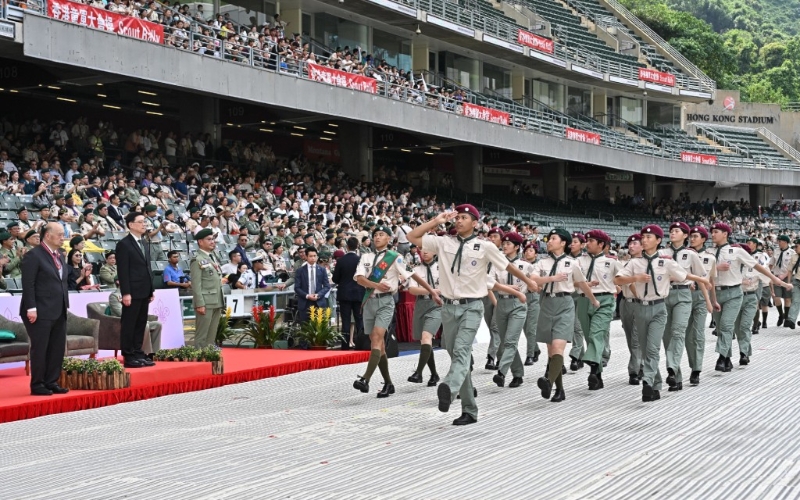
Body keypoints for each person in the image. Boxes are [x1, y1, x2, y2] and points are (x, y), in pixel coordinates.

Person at [408, 205, 536, 425]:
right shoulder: (444, 242)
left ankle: (449, 387)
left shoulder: (485, 246)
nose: (458, 220)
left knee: (461, 351)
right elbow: (412, 237)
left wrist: (527, 282)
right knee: (458, 355)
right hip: (448, 307)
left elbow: (507, 266)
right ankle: (469, 410)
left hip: (471, 306)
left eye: (464, 217)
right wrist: (436, 221)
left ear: (475, 223)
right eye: (457, 217)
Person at [615, 225, 709, 402]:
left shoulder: (666, 261)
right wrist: (635, 278)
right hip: (640, 307)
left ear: (658, 240)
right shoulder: (635, 263)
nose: (644, 240)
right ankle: (656, 384)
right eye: (643, 237)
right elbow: (617, 279)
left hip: (660, 306)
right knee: (645, 348)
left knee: (657, 345)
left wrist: (702, 281)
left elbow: (684, 275)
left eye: (649, 237)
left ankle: (648, 381)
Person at [352, 224, 440, 399]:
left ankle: (365, 379)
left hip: (386, 302)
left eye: (381, 234)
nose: (377, 237)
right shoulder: (366, 256)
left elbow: (412, 275)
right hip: (369, 301)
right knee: (378, 344)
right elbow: (359, 278)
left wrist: (432, 291)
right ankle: (388, 383)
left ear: (389, 238)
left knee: (378, 338)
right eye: (375, 234)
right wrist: (376, 285)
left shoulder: (395, 257)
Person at [709, 223, 789, 372]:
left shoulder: (737, 251)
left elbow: (759, 267)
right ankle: (727, 358)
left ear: (725, 234)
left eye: (716, 232)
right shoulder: (709, 252)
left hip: (736, 294)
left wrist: (777, 280)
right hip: (716, 293)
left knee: (734, 326)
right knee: (721, 328)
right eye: (711, 232)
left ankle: (728, 355)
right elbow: (700, 271)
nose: (712, 234)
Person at [535, 228, 598, 403]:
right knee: (551, 351)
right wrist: (552, 278)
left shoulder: (572, 263)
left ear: (563, 243)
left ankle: (548, 381)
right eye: (548, 238)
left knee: (557, 347)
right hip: (546, 303)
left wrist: (593, 300)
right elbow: (533, 279)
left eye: (553, 238)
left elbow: (581, 284)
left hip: (565, 304)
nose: (549, 241)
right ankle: (559, 390)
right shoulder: (542, 262)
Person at [659, 222, 711, 392]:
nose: (673, 233)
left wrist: (708, 301)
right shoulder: (661, 253)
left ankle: (673, 368)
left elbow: (701, 277)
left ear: (685, 235)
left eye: (677, 231)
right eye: (671, 231)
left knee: (678, 332)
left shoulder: (691, 254)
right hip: (664, 295)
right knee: (667, 335)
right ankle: (676, 376)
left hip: (683, 294)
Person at [19, 223, 70, 396]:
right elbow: (28, 284)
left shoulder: (59, 255)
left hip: (59, 308)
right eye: (60, 234)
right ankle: (38, 384)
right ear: (48, 235)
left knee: (57, 348)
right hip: (40, 310)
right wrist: (31, 308)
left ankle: (51, 381)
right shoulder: (34, 255)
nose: (63, 237)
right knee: (40, 348)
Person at [575, 230, 620, 391]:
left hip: (604, 300)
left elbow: (623, 278)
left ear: (601, 244)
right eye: (586, 240)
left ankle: (593, 370)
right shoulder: (578, 261)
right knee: (589, 337)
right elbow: (571, 281)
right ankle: (597, 376)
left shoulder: (612, 262)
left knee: (596, 334)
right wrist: (584, 284)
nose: (587, 243)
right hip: (583, 300)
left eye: (591, 241)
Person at [490, 232, 536, 389]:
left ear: (517, 247)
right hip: (501, 303)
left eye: (508, 244)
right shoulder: (496, 264)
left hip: (518, 304)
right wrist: (508, 287)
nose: (505, 246)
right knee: (505, 341)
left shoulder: (526, 266)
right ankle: (518, 374)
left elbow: (535, 284)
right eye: (503, 243)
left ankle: (501, 372)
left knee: (511, 341)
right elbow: (490, 284)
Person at [116, 211, 156, 368]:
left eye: (145, 221)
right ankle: (128, 355)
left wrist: (151, 290)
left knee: (140, 323)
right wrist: (126, 292)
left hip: (144, 290)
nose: (144, 224)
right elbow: (123, 271)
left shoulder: (144, 242)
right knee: (129, 324)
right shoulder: (124, 244)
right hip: (132, 291)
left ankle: (138, 351)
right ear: (131, 225)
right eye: (141, 222)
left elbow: (147, 267)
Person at [685, 226, 717, 386]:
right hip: (684, 296)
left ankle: (696, 369)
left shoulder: (710, 258)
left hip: (700, 297)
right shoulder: (683, 255)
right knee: (686, 335)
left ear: (704, 239)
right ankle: (693, 363)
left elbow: (711, 281)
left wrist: (713, 300)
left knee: (697, 333)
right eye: (691, 236)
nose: (692, 239)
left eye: (696, 236)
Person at [406, 247, 442, 387]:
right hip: (421, 304)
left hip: (437, 305)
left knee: (426, 337)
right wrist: (432, 290)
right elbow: (412, 289)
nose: (424, 252)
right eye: (422, 250)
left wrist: (435, 292)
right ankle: (434, 374)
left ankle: (419, 373)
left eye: (428, 249)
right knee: (425, 341)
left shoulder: (441, 268)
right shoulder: (416, 269)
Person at [190, 228, 224, 348]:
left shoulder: (211, 257)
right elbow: (196, 284)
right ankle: (199, 356)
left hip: (216, 300)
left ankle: (209, 355)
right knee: (202, 335)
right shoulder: (197, 259)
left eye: (213, 239)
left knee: (211, 335)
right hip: (205, 302)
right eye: (209, 239)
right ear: (200, 242)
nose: (212, 242)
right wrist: (200, 303)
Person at [108, 286, 162, 359]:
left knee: (157, 325)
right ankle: (143, 353)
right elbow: (120, 313)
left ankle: (153, 354)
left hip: (137, 320)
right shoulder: (114, 296)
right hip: (122, 323)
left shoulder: (134, 293)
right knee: (145, 325)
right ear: (118, 282)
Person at [332, 236, 365, 349]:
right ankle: (361, 344)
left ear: (347, 247)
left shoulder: (341, 261)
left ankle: (345, 346)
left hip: (344, 294)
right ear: (357, 246)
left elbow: (335, 279)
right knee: (359, 319)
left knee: (345, 320)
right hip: (359, 293)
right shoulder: (360, 260)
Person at [620, 234, 643, 385]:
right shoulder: (624, 264)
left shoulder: (647, 263)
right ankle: (640, 363)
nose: (631, 246)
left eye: (635, 243)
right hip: (625, 303)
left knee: (636, 339)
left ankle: (633, 371)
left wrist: (640, 297)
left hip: (640, 303)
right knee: (630, 339)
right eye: (630, 244)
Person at [482, 227, 503, 370]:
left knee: (496, 327)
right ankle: (500, 357)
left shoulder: (502, 256)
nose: (492, 239)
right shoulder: (482, 255)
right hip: (485, 295)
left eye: (495, 236)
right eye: (490, 236)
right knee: (492, 328)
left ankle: (491, 357)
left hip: (500, 294)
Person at [294, 246, 331, 324]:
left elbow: (327, 286)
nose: (313, 258)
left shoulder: (322, 270)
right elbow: (297, 288)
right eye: (310, 256)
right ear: (306, 257)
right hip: (305, 302)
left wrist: (318, 294)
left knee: (319, 327)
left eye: (314, 256)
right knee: (305, 327)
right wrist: (307, 296)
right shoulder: (300, 271)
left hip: (319, 302)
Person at [522, 241, 542, 365]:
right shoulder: (521, 265)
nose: (527, 252)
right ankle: (535, 349)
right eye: (526, 250)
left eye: (531, 250)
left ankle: (529, 355)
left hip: (535, 297)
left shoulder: (539, 266)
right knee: (524, 327)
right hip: (523, 297)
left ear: (536, 254)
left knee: (531, 328)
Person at [771, 234, 794, 327]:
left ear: (785, 242)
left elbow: (792, 267)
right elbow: (771, 263)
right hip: (776, 277)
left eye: (780, 241)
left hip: (787, 277)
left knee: (787, 298)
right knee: (777, 298)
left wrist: (784, 275)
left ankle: (787, 317)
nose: (778, 243)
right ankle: (781, 315)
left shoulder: (792, 252)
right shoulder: (776, 251)